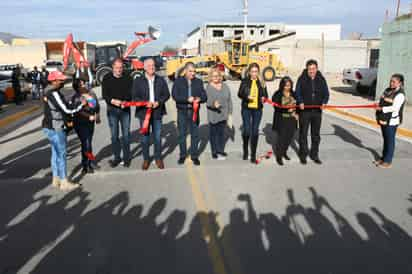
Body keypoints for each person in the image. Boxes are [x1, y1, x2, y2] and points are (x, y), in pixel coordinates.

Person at [42, 71, 85, 190]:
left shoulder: (46, 90)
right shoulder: (54, 93)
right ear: (53, 81)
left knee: (55, 153)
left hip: (48, 126)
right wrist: (81, 105)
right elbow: (66, 109)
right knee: (61, 154)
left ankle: (56, 179)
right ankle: (64, 181)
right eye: (60, 80)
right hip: (56, 127)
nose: (63, 82)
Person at [131, 58, 170, 170]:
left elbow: (166, 95)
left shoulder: (160, 80)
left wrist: (159, 102)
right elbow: (134, 97)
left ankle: (158, 158)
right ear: (144, 67)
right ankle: (146, 159)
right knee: (145, 138)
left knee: (157, 137)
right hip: (144, 114)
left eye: (153, 65)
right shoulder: (138, 81)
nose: (151, 67)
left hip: (157, 113)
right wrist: (144, 103)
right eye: (149, 65)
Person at [172, 62, 207, 166]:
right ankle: (182, 155)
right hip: (182, 111)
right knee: (182, 135)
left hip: (194, 112)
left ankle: (194, 156)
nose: (193, 73)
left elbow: (204, 96)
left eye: (194, 71)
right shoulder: (178, 81)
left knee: (195, 135)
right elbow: (174, 96)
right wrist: (187, 100)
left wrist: (199, 99)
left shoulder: (199, 82)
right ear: (185, 71)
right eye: (191, 71)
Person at [295, 59, 329, 165]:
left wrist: (324, 102)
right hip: (305, 111)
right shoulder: (302, 79)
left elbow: (326, 93)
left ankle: (314, 155)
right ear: (307, 69)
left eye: (313, 69)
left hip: (317, 111)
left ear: (316, 68)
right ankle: (303, 155)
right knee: (303, 133)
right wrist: (300, 101)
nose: (311, 71)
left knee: (316, 135)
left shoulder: (321, 79)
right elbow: (297, 92)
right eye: (309, 69)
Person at [102, 58, 133, 168]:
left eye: (121, 68)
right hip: (112, 110)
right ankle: (116, 157)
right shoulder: (106, 78)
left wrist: (126, 101)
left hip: (125, 110)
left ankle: (126, 157)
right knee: (114, 135)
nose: (119, 70)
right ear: (112, 68)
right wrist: (113, 101)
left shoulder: (128, 78)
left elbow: (131, 92)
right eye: (117, 68)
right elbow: (105, 95)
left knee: (126, 135)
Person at [237, 63, 268, 164]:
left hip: (258, 109)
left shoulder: (262, 82)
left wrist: (264, 98)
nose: (254, 73)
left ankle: (253, 154)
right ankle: (245, 149)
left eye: (256, 71)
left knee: (255, 131)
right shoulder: (245, 81)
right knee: (246, 130)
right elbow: (239, 93)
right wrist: (247, 96)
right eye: (253, 71)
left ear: (258, 72)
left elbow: (265, 95)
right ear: (249, 72)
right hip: (246, 108)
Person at [375, 74, 406, 168]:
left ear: (399, 83)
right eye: (390, 81)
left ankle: (388, 161)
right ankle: (383, 158)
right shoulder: (388, 90)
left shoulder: (400, 94)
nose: (391, 83)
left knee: (390, 140)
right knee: (386, 139)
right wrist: (378, 105)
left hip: (392, 121)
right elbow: (382, 99)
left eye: (394, 82)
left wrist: (382, 109)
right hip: (384, 119)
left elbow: (395, 108)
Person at [71, 77, 101, 174]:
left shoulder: (91, 93)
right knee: (86, 143)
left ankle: (90, 161)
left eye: (84, 83)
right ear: (78, 87)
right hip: (80, 123)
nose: (84, 85)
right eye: (82, 84)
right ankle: (85, 165)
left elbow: (97, 106)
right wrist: (89, 117)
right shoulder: (76, 97)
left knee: (88, 143)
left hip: (90, 122)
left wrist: (97, 116)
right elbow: (78, 111)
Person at [206, 66, 233, 160]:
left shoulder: (225, 86)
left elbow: (229, 100)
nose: (216, 77)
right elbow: (207, 102)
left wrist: (230, 113)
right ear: (210, 77)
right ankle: (214, 151)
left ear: (220, 76)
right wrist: (213, 104)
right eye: (214, 76)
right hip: (213, 115)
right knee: (213, 134)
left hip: (223, 114)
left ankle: (220, 150)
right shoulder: (209, 87)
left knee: (221, 134)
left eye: (217, 76)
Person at [272, 76, 298, 166]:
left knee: (289, 138)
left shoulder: (294, 93)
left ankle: (284, 152)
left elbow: (298, 105)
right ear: (282, 85)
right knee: (281, 138)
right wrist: (286, 109)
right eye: (286, 85)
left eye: (289, 85)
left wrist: (296, 113)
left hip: (292, 119)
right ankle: (279, 156)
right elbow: (275, 105)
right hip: (282, 119)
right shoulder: (278, 94)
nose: (288, 87)